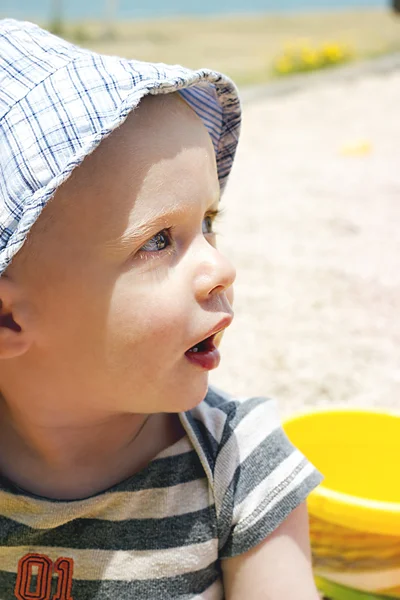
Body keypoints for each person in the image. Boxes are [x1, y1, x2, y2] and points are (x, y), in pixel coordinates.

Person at [0, 18, 322, 599]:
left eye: (209, 224)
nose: (222, 270)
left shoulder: (240, 466)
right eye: (156, 241)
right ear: (9, 319)